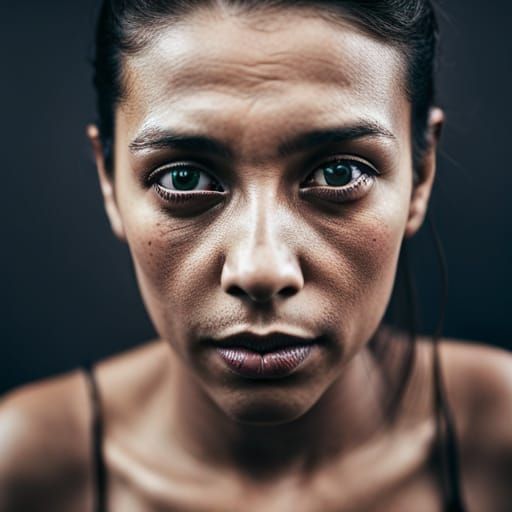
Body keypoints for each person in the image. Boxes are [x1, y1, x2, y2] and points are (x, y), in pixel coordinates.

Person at [1, 1, 511, 510]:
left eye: (338, 174)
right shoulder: (28, 472)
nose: (261, 270)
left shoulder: (499, 442)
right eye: (184, 178)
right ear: (109, 183)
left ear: (420, 174)